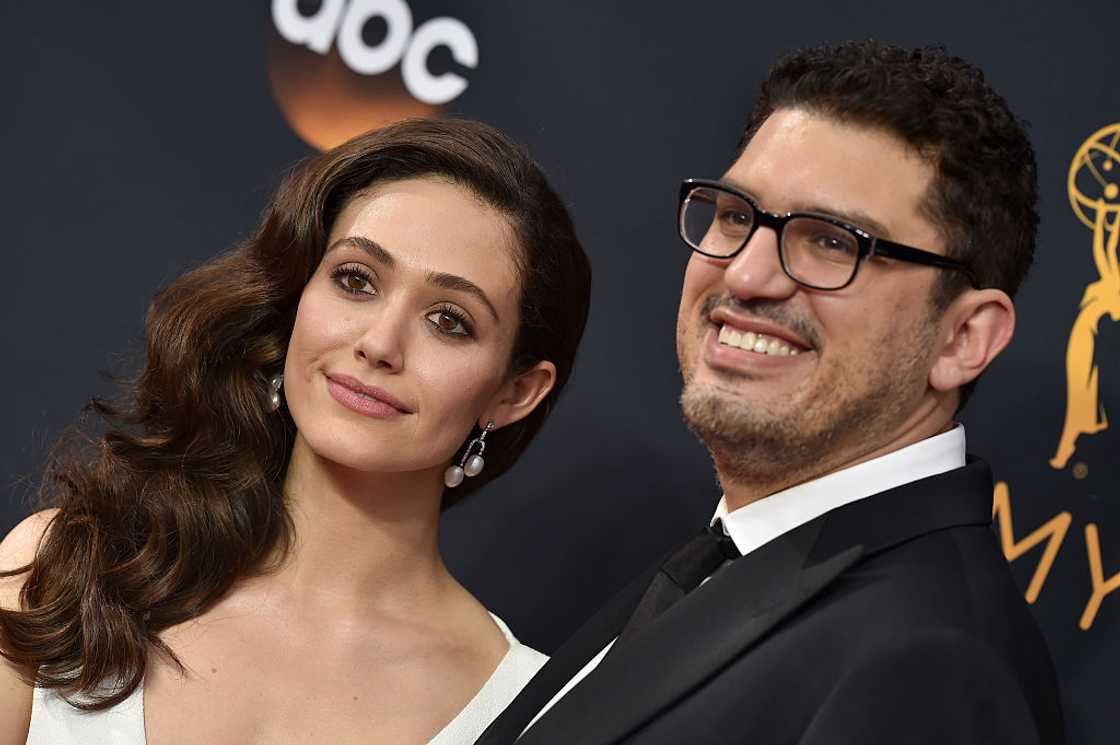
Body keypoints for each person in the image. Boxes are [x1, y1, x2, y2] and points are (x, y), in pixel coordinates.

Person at [476, 41, 1065, 744]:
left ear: (963, 337)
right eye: (735, 215)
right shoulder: (728, 559)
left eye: (832, 241)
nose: (748, 276)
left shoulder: (930, 665)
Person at [0, 118, 591, 745]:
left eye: (449, 321)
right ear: (296, 300)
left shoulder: (528, 715)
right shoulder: (64, 566)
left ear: (513, 392)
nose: (379, 344)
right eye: (355, 280)